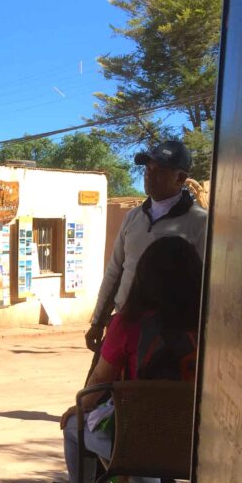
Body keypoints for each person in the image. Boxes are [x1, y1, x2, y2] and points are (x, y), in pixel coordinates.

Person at [56, 236, 203, 483]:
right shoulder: (212, 326)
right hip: (197, 449)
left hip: (135, 444)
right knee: (148, 434)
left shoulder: (128, 323)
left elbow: (98, 383)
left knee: (76, 427)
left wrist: (77, 408)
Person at [85, 140, 207, 353]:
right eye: (148, 169)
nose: (149, 175)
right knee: (100, 385)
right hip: (125, 324)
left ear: (180, 178)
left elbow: (206, 283)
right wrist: (98, 322)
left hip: (171, 336)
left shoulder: (199, 222)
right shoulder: (133, 218)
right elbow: (115, 271)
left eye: (159, 171)